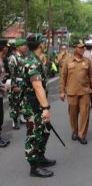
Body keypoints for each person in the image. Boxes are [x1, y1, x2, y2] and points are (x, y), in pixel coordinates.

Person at [21, 34, 55, 177]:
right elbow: (37, 87)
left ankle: (40, 158)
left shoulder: (35, 59)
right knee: (34, 135)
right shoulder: (32, 62)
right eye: (43, 42)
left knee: (44, 131)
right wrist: (46, 108)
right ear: (40, 44)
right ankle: (34, 167)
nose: (44, 44)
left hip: (37, 103)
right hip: (33, 104)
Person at [60, 39, 92, 145]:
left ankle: (82, 134)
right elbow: (63, 77)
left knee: (85, 114)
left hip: (85, 92)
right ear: (75, 48)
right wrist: (62, 91)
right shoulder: (68, 61)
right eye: (80, 47)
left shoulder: (87, 61)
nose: (82, 49)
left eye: (83, 47)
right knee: (73, 114)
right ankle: (74, 131)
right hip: (72, 92)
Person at [8, 38, 28, 130]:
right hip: (16, 83)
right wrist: (14, 85)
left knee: (22, 102)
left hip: (23, 83)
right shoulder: (13, 57)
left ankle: (21, 118)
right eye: (23, 45)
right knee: (15, 103)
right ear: (18, 47)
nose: (25, 47)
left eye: (25, 45)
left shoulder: (23, 56)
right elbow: (12, 73)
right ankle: (14, 121)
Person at [0, 39, 10, 148]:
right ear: (3, 48)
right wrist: (6, 87)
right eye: (6, 47)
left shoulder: (2, 60)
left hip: (0, 93)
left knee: (1, 116)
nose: (7, 49)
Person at [84, 39, 92, 108]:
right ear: (91, 47)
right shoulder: (91, 54)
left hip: (84, 74)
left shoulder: (83, 53)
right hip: (90, 73)